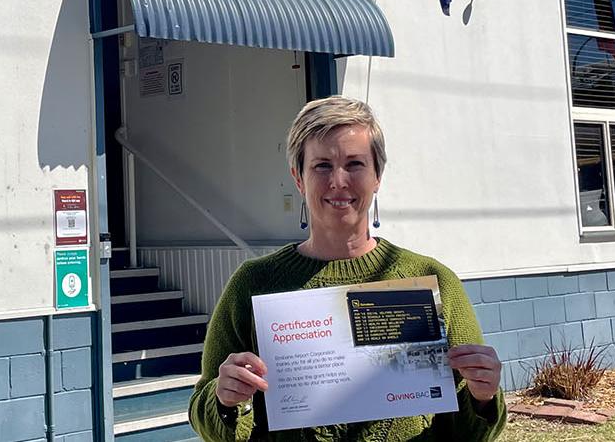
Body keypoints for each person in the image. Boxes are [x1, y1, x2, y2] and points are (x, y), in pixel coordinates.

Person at [188, 96, 506, 441]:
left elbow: (470, 432)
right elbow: (205, 415)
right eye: (322, 165)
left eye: (354, 164)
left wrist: (483, 395)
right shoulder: (254, 283)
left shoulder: (431, 279)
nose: (338, 181)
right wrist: (224, 399)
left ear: (377, 176)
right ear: (298, 178)